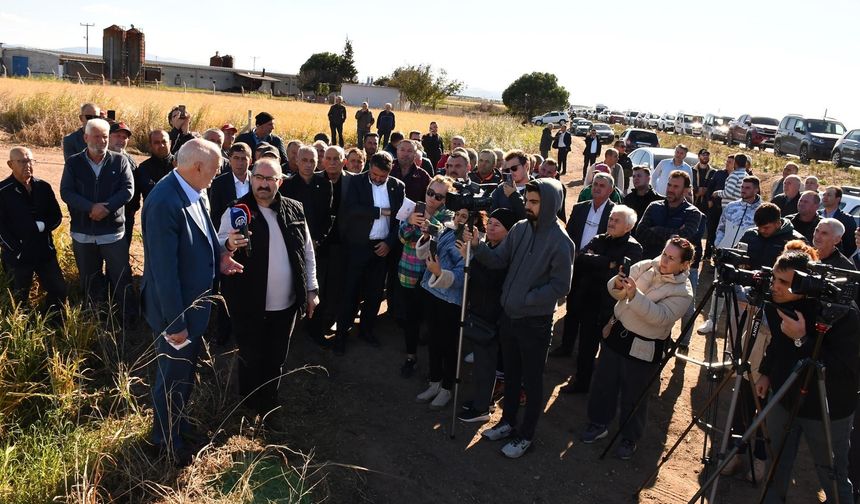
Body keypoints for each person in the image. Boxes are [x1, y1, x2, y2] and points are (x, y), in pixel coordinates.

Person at [141, 138, 243, 465]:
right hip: (176, 313)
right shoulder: (163, 202)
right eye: (214, 170)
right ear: (198, 167)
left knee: (184, 377)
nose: (217, 176)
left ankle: (178, 429)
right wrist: (176, 324)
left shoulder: (194, 190)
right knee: (171, 379)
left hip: (193, 308)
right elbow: (163, 272)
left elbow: (207, 233)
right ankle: (163, 443)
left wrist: (221, 256)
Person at [468, 178, 574, 459]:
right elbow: (499, 259)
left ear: (550, 204)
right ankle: (507, 422)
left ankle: (525, 435)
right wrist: (478, 247)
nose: (528, 206)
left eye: (535, 202)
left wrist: (526, 299)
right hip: (509, 318)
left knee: (532, 381)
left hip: (535, 323)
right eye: (527, 200)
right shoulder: (519, 228)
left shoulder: (561, 242)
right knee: (511, 376)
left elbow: (561, 286)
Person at [217, 157, 318, 429]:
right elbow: (217, 248)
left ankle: (269, 407)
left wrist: (311, 289)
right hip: (249, 304)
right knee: (250, 356)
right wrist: (227, 244)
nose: (263, 184)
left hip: (285, 306)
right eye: (259, 178)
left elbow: (307, 252)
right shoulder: (236, 211)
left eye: (269, 179)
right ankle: (247, 408)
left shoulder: (295, 210)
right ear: (251, 179)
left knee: (276, 359)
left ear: (280, 181)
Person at [755, 248, 860, 504]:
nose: (775, 288)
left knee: (831, 474)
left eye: (784, 283)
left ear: (805, 284)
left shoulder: (841, 312)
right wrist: (767, 373)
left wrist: (803, 338)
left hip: (828, 409)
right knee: (776, 462)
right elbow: (778, 344)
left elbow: (845, 369)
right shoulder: (776, 304)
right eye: (774, 279)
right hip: (784, 397)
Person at [581, 237, 694, 460]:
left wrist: (634, 295)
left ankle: (629, 438)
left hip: (643, 347)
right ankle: (598, 423)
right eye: (664, 254)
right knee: (604, 384)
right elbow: (617, 294)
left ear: (684, 265)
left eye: (671, 258)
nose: (664, 260)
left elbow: (660, 318)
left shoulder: (683, 292)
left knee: (634, 395)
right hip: (617, 336)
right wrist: (618, 284)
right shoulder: (645, 266)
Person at [59, 118, 135, 318]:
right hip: (83, 232)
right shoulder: (74, 162)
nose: (101, 141)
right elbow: (66, 192)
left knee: (121, 276)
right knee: (89, 278)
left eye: (104, 137)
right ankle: (95, 318)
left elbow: (128, 190)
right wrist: (90, 207)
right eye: (96, 136)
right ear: (85, 137)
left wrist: (107, 208)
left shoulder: (120, 161)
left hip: (112, 233)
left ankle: (128, 317)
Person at [564, 205, 643, 394]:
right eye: (610, 219)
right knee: (585, 348)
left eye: (617, 220)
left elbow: (622, 274)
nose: (611, 222)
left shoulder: (633, 247)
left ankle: (604, 391)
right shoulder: (599, 238)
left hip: (612, 308)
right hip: (589, 303)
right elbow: (581, 259)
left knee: (609, 353)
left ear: (628, 227)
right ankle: (581, 383)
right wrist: (608, 262)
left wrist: (598, 262)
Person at [334, 152, 405, 355]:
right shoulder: (356, 182)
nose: (377, 179)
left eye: (382, 176)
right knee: (350, 292)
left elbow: (400, 218)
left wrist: (390, 243)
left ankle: (366, 330)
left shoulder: (397, 186)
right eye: (374, 174)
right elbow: (351, 209)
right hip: (357, 247)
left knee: (374, 294)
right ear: (370, 167)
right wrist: (381, 212)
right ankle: (341, 334)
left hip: (382, 248)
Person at [457, 208, 516, 422]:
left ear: (508, 231)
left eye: (497, 225)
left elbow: (490, 282)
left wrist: (469, 259)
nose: (491, 227)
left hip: (492, 316)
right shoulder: (490, 246)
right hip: (481, 311)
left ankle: (481, 409)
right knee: (482, 362)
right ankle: (484, 401)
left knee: (486, 364)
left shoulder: (504, 253)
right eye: (489, 222)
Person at [551, 173, 615, 358]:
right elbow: (569, 235)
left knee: (591, 315)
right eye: (595, 184)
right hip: (576, 266)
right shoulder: (580, 208)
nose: (597, 188)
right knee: (572, 309)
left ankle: (585, 355)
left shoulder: (615, 212)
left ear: (610, 190)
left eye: (602, 185)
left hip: (598, 271)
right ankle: (566, 346)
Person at [396, 175, 454, 377]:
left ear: (445, 199)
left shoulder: (448, 217)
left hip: (433, 278)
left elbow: (445, 241)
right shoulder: (413, 210)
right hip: (410, 272)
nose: (432, 199)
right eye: (430, 193)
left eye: (438, 196)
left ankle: (435, 369)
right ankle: (410, 357)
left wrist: (431, 224)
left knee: (432, 323)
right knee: (411, 319)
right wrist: (410, 222)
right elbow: (402, 238)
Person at [413, 207, 469, 409]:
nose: (458, 219)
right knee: (433, 340)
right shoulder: (446, 230)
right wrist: (427, 237)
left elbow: (462, 277)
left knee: (448, 345)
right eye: (457, 214)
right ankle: (434, 382)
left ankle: (446, 388)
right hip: (431, 293)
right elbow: (425, 254)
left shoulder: (469, 242)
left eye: (464, 216)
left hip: (450, 301)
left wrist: (439, 273)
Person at [0, 147, 66, 311]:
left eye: (30, 160)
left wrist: (44, 226)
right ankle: (23, 331)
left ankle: (55, 324)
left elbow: (56, 215)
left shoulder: (43, 187)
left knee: (58, 290)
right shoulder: (3, 191)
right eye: (22, 161)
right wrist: (16, 249)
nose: (27, 165)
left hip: (45, 252)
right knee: (18, 299)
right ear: (10, 164)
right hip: (18, 256)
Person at [697, 176, 763, 335]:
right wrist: (719, 246)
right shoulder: (732, 206)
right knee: (718, 289)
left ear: (756, 190)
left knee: (741, 293)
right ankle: (712, 320)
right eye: (742, 187)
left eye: (747, 188)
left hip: (745, 261)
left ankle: (737, 327)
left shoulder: (762, 210)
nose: (743, 190)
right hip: (725, 256)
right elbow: (720, 228)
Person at [307, 146, 353, 348]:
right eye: (329, 158)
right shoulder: (315, 179)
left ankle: (329, 320)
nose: (332, 162)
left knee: (336, 285)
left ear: (344, 161)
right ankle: (312, 323)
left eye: (337, 158)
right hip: (317, 243)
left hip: (342, 243)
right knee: (317, 284)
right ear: (322, 160)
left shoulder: (353, 181)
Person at [635, 171, 702, 260]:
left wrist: (655, 229)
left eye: (676, 187)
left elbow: (684, 241)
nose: (670, 190)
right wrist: (673, 234)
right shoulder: (654, 206)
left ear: (685, 190)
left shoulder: (693, 213)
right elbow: (640, 233)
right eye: (669, 185)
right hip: (648, 263)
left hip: (674, 268)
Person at [279, 146, 333, 247]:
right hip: (292, 242)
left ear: (317, 162)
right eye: (304, 160)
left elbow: (327, 216)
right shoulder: (286, 185)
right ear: (297, 161)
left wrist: (317, 240)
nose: (308, 164)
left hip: (318, 243)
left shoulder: (325, 185)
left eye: (312, 161)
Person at [738, 203, 807, 271]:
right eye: (759, 227)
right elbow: (735, 255)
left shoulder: (795, 241)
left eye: (766, 228)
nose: (761, 230)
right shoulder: (750, 235)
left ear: (778, 223)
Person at [107, 121, 143, 248]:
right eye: (118, 136)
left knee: (121, 257)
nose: (121, 140)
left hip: (125, 217)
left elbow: (136, 188)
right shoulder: (100, 158)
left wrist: (133, 209)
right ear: (108, 136)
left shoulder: (130, 161)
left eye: (125, 137)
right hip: (102, 215)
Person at [208, 143, 252, 229]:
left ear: (250, 161)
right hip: (229, 234)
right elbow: (215, 215)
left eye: (243, 159)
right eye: (236, 158)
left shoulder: (257, 181)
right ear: (230, 160)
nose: (240, 163)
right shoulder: (218, 184)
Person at [490, 150, 533, 220]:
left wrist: (513, 195)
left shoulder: (537, 189)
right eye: (507, 170)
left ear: (526, 166)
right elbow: (490, 214)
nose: (510, 172)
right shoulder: (501, 189)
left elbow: (530, 218)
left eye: (514, 168)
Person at [820, 185, 857, 257]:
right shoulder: (817, 215)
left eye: (829, 195)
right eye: (824, 194)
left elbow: (851, 246)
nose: (825, 197)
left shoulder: (847, 220)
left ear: (838, 199)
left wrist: (838, 259)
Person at [138, 130, 174, 195]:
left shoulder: (181, 165)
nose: (161, 145)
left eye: (164, 141)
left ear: (170, 143)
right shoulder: (144, 168)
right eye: (157, 142)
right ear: (150, 145)